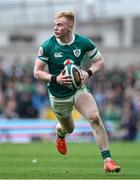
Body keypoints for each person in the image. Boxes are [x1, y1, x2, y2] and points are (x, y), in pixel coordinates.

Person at [34, 10, 121, 173]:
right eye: (55, 25)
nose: (55, 28)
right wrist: (56, 79)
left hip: (79, 90)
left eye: (59, 25)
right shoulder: (47, 46)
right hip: (59, 96)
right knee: (69, 128)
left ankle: (107, 160)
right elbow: (37, 72)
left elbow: (100, 62)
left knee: (95, 118)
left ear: (70, 27)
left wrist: (87, 73)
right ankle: (60, 134)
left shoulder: (83, 42)